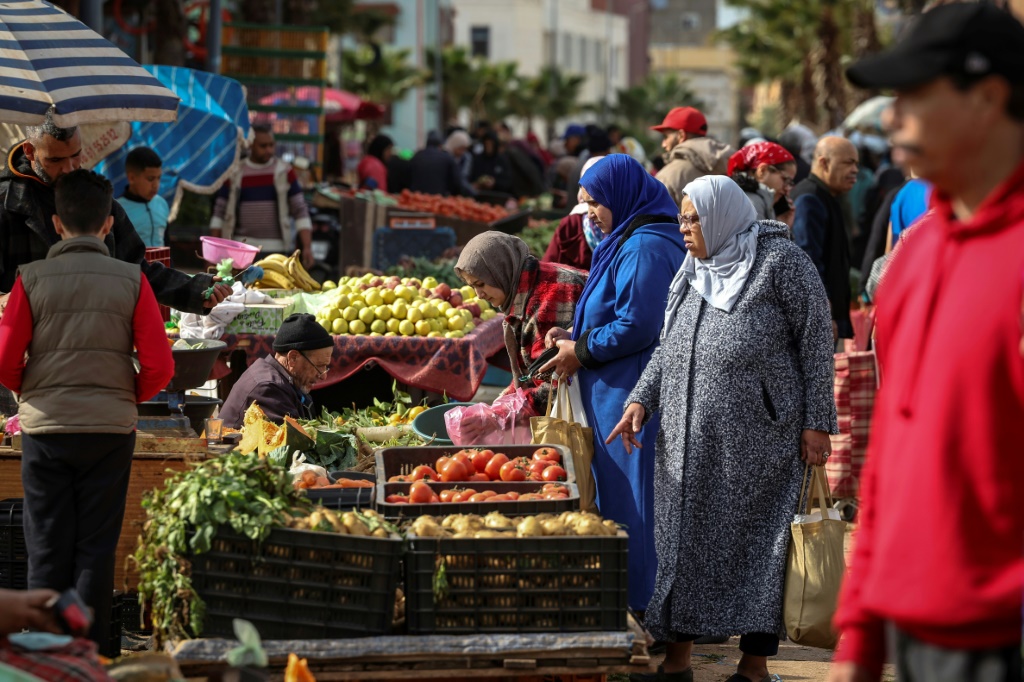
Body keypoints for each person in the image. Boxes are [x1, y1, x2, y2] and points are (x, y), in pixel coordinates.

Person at [831, 4, 1024, 681]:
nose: (891, 117)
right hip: (921, 637)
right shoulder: (914, 259)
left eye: (914, 94)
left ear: (989, 98)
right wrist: (859, 635)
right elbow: (891, 456)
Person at [609, 176, 836, 682]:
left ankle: (753, 668)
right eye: (682, 217)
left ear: (721, 217)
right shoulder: (694, 269)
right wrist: (641, 398)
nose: (683, 227)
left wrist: (818, 422)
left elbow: (817, 340)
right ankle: (679, 661)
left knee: (762, 550)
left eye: (693, 218)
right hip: (687, 442)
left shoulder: (781, 264)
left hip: (761, 442)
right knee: (682, 546)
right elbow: (667, 344)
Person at [0, 169, 174, 657]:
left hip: (46, 430)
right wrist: (125, 395)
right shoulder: (133, 279)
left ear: (56, 224)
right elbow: (160, 365)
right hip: (109, 431)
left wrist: (32, 389)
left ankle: (46, 659)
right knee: (95, 550)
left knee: (47, 549)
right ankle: (92, 658)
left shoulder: (30, 279)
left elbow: (4, 361)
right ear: (108, 226)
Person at [539, 155, 687, 612]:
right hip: (614, 392)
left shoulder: (645, 245)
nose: (591, 215)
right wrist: (573, 337)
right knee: (621, 500)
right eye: (584, 205)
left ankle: (646, 610)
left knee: (637, 505)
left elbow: (638, 325)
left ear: (620, 197)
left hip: (632, 394)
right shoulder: (625, 238)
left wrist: (580, 351)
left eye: (595, 203)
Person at [0, 109, 229, 314]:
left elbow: (137, 269)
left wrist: (195, 289)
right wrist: (4, 301)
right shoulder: (6, 204)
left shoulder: (97, 199)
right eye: (56, 159)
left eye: (76, 155)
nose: (69, 168)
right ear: (30, 151)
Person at [455, 232, 586, 414]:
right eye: (473, 287)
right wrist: (505, 400)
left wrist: (505, 413)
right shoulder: (526, 285)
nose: (479, 295)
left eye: (481, 284)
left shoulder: (549, 295)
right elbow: (533, 371)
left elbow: (558, 381)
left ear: (500, 270)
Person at [211, 124, 314, 268]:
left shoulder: (284, 172)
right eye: (263, 146)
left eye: (272, 145)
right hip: (241, 249)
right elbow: (219, 212)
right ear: (251, 145)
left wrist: (307, 247)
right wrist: (214, 253)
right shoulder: (235, 173)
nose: (269, 150)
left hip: (277, 251)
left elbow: (300, 210)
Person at [791, 136, 859, 340]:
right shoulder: (809, 198)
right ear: (824, 163)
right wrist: (823, 314)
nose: (855, 170)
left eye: (856, 163)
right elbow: (808, 261)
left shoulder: (826, 195)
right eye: (848, 163)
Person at [219, 313, 335, 429]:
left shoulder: (285, 381)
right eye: (319, 366)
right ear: (292, 358)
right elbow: (295, 441)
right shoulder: (267, 389)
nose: (323, 376)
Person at [652, 106, 734, 207]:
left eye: (666, 137)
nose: (663, 144)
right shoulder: (733, 164)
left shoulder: (667, 177)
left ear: (681, 135)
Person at [542, 156, 605, 270]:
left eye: (595, 204)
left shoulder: (573, 222)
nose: (591, 214)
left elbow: (547, 270)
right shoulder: (633, 225)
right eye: (590, 204)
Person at [726, 141, 798, 222]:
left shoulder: (759, 201)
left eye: (790, 183)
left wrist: (782, 224)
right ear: (762, 171)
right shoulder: (752, 204)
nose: (787, 189)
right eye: (785, 179)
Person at [117, 146, 169, 248]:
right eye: (150, 179)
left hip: (162, 264)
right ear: (132, 178)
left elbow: (167, 243)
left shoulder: (162, 204)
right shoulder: (117, 210)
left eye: (159, 178)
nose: (156, 185)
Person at [409, 130, 469, 197]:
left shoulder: (416, 156)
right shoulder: (447, 157)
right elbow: (457, 183)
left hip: (416, 199)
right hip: (438, 201)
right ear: (440, 145)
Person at [469, 131, 514, 196]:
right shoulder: (477, 159)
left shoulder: (502, 160)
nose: (488, 146)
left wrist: (495, 183)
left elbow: (507, 182)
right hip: (479, 194)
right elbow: (471, 178)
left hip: (497, 195)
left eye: (491, 144)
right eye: (486, 144)